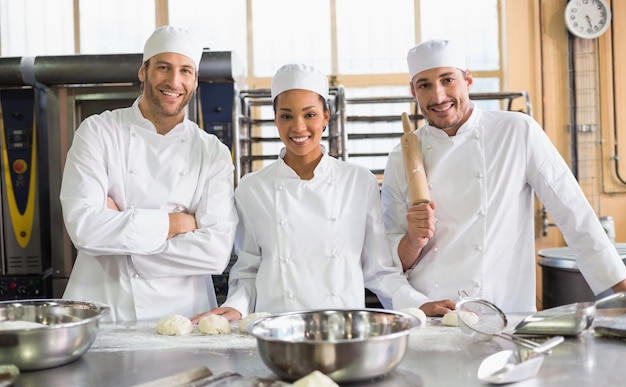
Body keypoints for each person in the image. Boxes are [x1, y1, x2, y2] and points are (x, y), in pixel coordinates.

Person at [381, 39, 626, 317]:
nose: (438, 97)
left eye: (448, 80)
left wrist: (620, 285)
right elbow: (389, 260)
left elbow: (572, 210)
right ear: (413, 90)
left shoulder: (516, 132)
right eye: (424, 85)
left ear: (468, 79)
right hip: (434, 316)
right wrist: (413, 244)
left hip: (504, 313)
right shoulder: (401, 158)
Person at [191, 63, 422, 323]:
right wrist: (236, 306)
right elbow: (247, 271)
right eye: (287, 116)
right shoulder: (252, 188)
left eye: (309, 114)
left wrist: (419, 303)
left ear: (326, 117)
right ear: (275, 118)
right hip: (276, 331)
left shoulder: (359, 182)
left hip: (342, 331)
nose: (298, 127)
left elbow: (380, 271)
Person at [59, 26, 238, 322]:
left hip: (186, 316)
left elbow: (215, 253)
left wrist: (120, 238)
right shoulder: (98, 132)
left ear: (194, 81)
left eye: (185, 71)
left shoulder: (212, 152)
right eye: (163, 68)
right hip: (107, 310)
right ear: (144, 71)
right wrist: (176, 223)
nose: (174, 81)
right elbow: (84, 228)